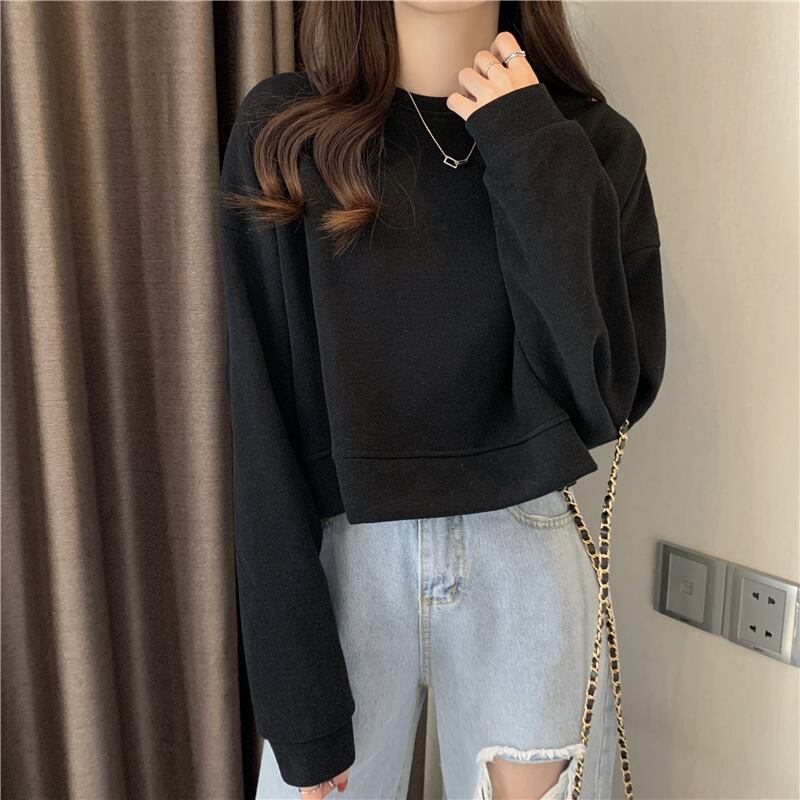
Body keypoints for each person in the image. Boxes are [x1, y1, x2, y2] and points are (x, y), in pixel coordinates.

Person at [217, 1, 666, 798]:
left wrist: (525, 144)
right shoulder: (286, 130)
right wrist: (298, 702)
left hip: (526, 554)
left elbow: (604, 395)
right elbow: (262, 427)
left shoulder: (584, 140)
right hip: (340, 561)